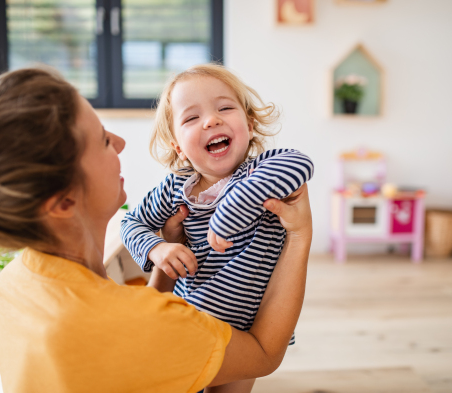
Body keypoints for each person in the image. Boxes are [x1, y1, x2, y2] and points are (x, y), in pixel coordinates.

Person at [0, 67, 313, 393]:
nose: (120, 142)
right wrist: (300, 236)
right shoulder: (143, 325)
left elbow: (148, 324)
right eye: (103, 140)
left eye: (224, 108)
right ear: (64, 201)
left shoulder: (14, 283)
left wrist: (168, 254)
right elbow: (261, 353)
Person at [121, 64, 314, 392]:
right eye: (191, 118)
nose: (211, 120)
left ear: (250, 126)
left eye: (225, 108)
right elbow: (130, 222)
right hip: (191, 317)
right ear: (178, 146)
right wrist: (158, 247)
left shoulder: (261, 172)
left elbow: (300, 163)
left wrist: (234, 206)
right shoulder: (175, 188)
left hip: (251, 328)